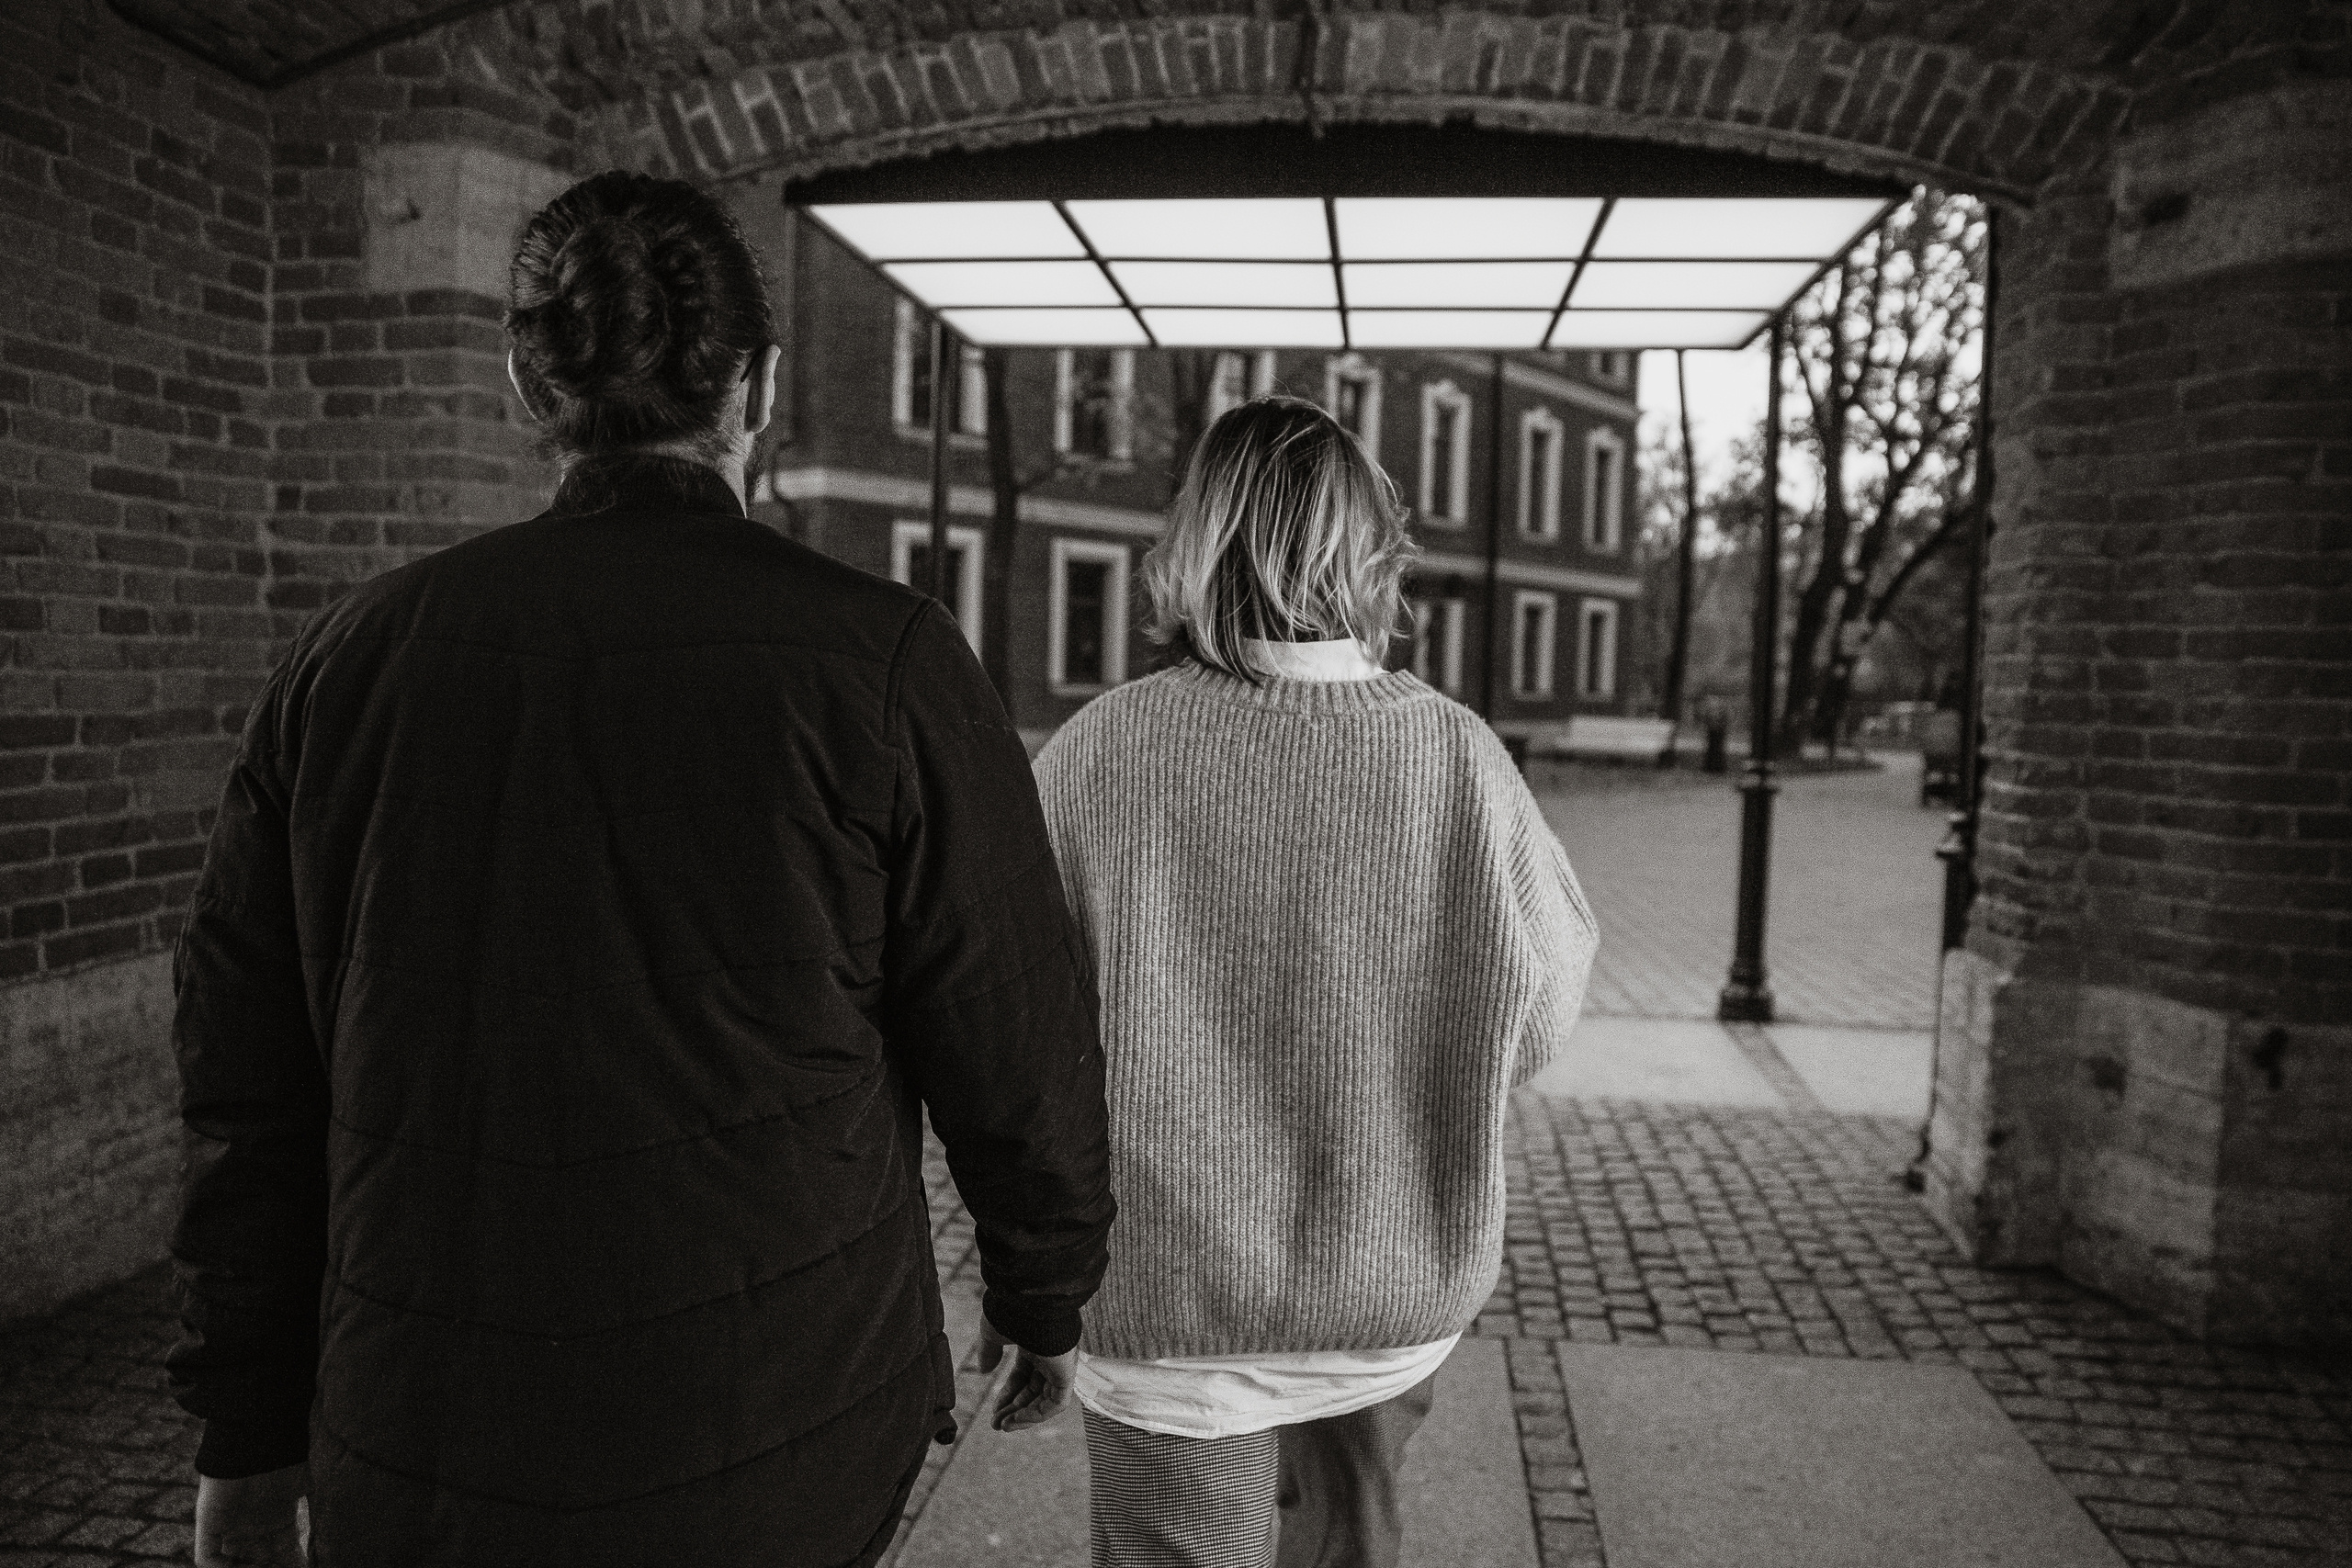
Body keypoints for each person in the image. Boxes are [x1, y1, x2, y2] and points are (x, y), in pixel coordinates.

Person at [168, 171, 1114, 1568]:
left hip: (430, 1415)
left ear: (522, 386)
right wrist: (1043, 1291)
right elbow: (1011, 1026)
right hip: (783, 1409)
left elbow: (247, 1087)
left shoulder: (348, 663)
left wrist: (245, 1425)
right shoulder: (889, 662)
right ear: (765, 389)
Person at [1034, 397, 1599, 1568]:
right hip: (1386, 1292)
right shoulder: (1456, 756)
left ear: (1197, 542)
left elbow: (1011, 1035)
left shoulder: (1101, 750)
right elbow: (1538, 1008)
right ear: (1370, 548)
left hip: (1169, 1300)